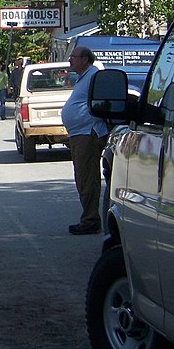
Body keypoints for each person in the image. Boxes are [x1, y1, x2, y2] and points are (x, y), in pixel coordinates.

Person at [61, 46, 109, 235]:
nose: (70, 60)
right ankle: (90, 217)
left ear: (86, 59)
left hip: (88, 133)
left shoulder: (94, 75)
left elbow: (102, 102)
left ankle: (90, 220)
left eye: (74, 57)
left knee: (86, 177)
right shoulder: (85, 77)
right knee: (83, 176)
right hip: (79, 133)